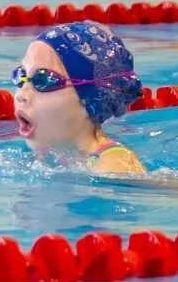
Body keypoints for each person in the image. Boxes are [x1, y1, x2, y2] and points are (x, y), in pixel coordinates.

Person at [12, 21, 146, 174]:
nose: (21, 95)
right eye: (21, 76)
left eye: (43, 80)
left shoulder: (114, 165)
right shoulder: (53, 153)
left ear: (89, 99)